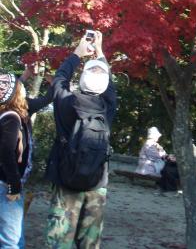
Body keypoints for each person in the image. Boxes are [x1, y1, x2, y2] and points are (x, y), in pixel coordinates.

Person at [44, 31, 117, 249]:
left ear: (82, 79)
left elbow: (60, 78)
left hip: (66, 179)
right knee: (90, 243)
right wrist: (101, 50)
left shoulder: (66, 102)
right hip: (97, 182)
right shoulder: (107, 108)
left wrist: (78, 51)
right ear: (104, 85)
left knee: (59, 240)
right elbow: (110, 86)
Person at [0, 68, 53, 248]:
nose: (23, 87)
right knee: (11, 240)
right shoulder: (12, 118)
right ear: (16, 93)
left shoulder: (18, 110)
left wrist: (29, 75)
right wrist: (13, 185)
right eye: (20, 85)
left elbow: (46, 99)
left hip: (7, 184)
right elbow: (6, 153)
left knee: (15, 235)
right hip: (6, 185)